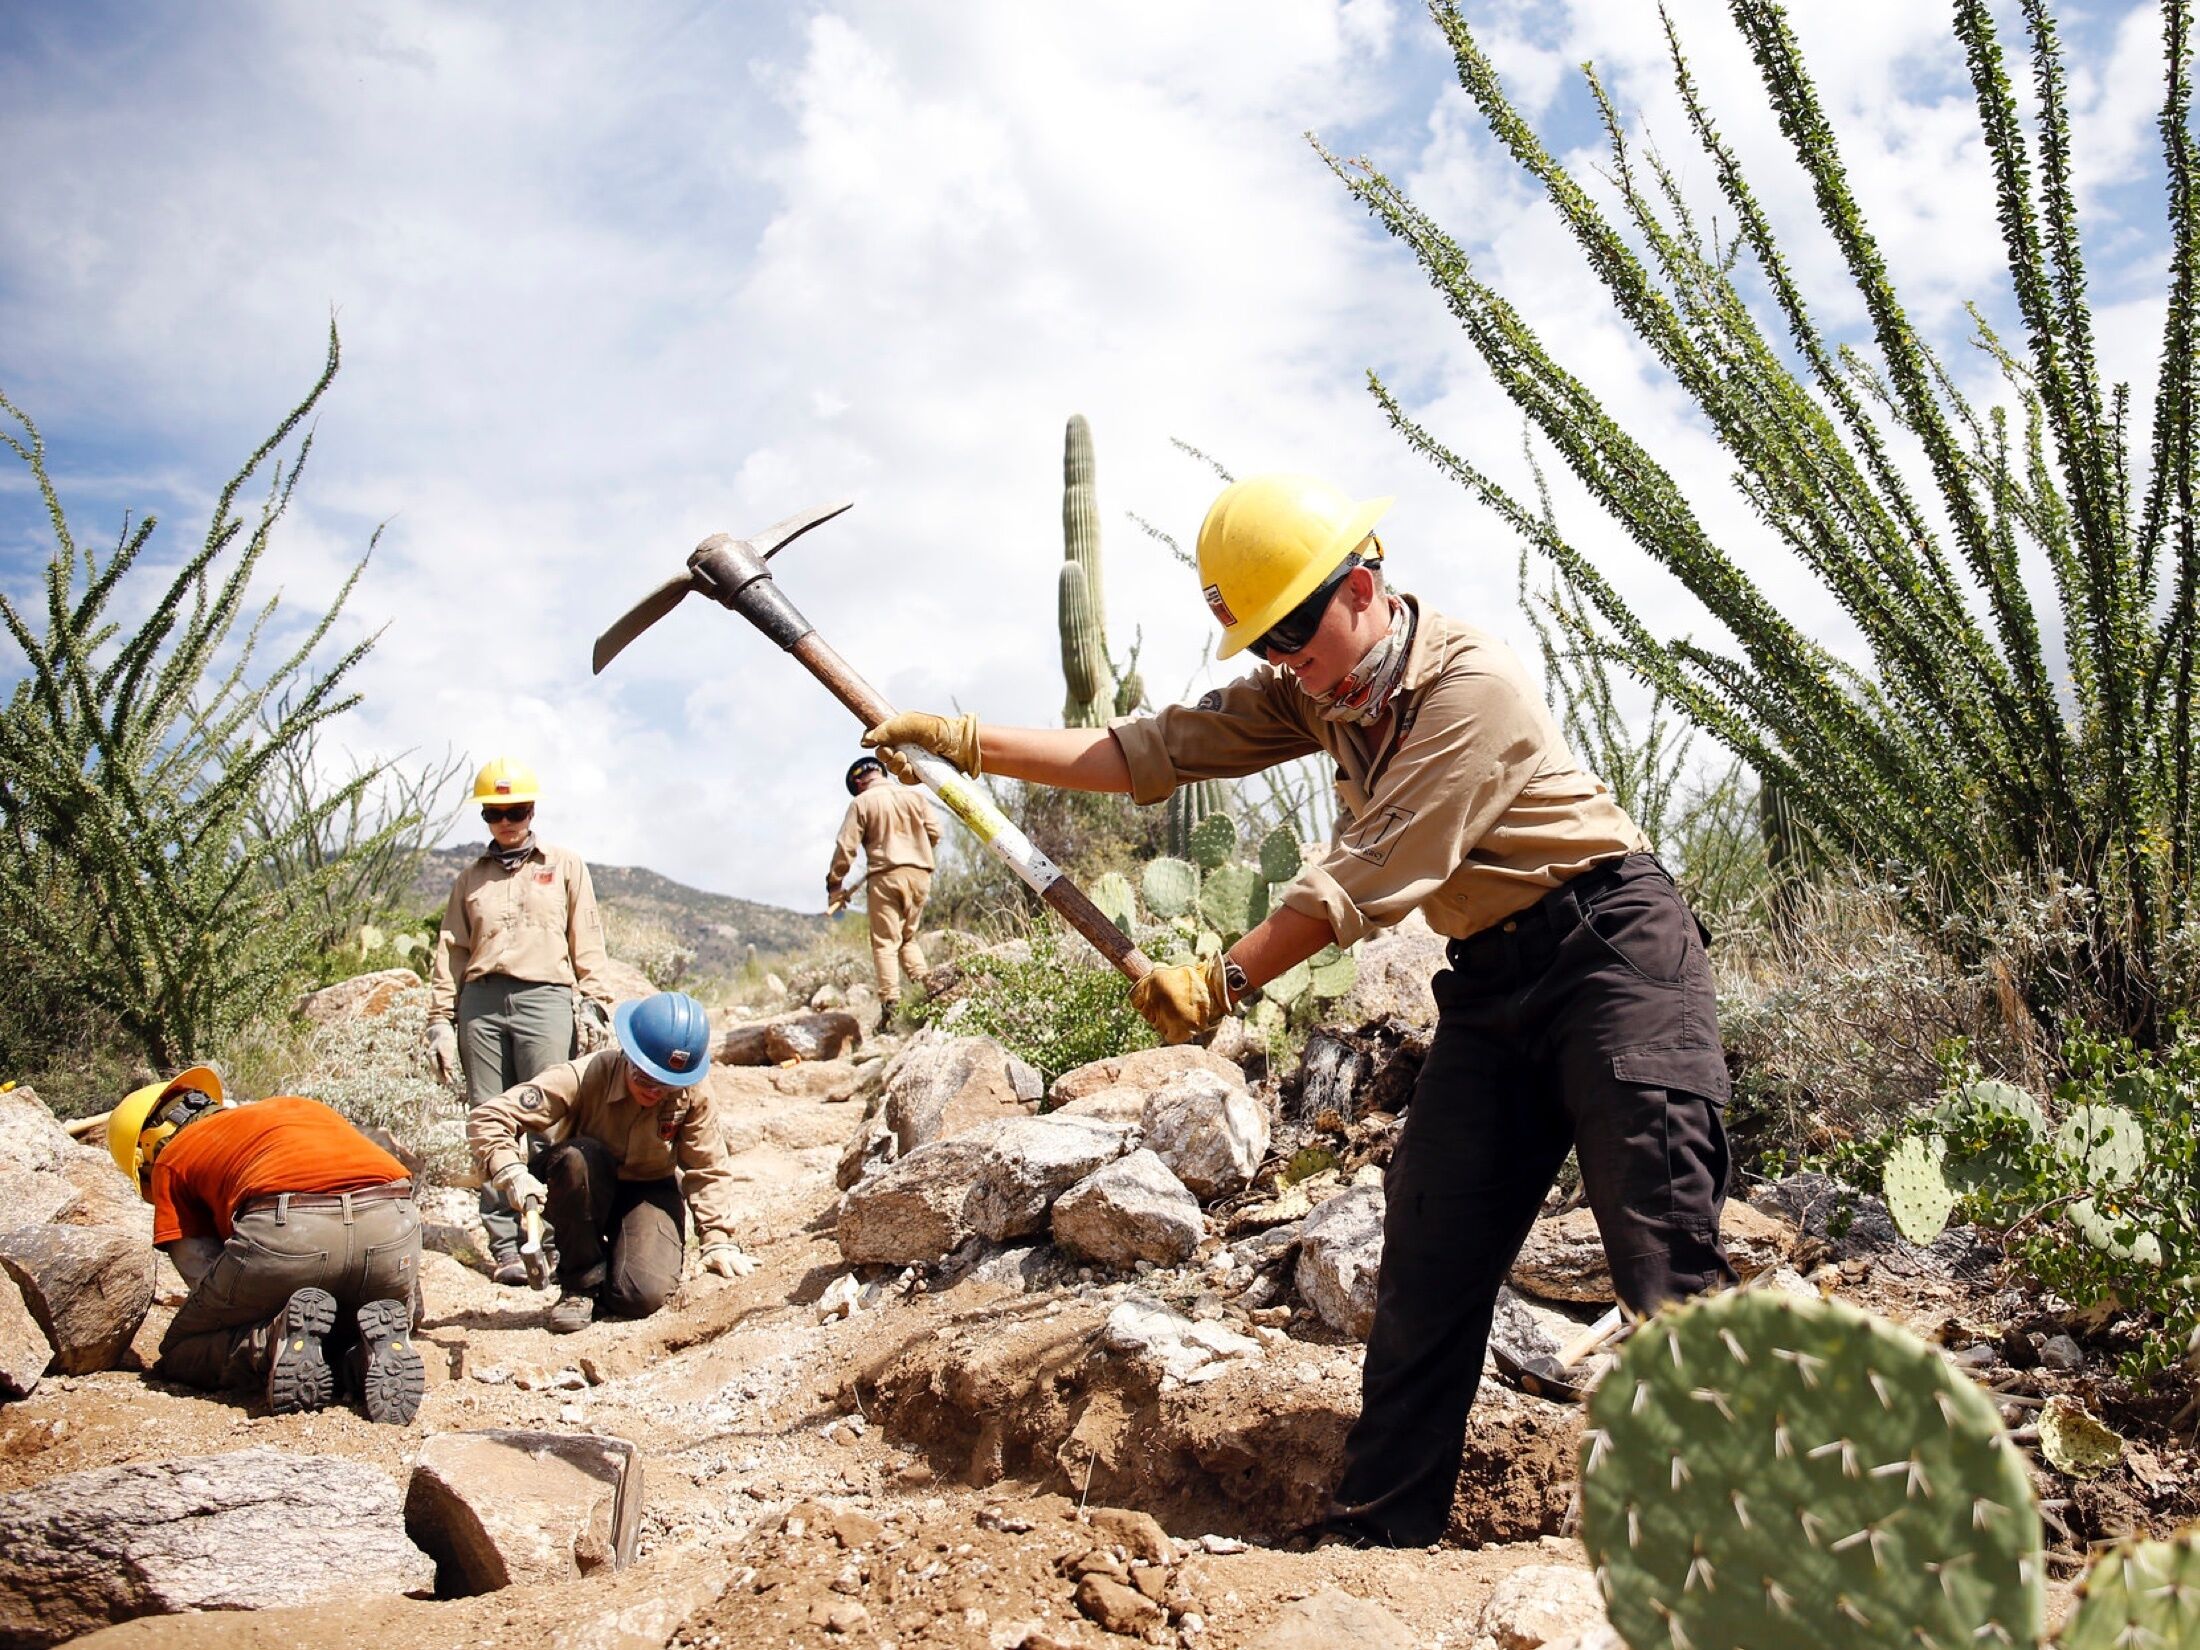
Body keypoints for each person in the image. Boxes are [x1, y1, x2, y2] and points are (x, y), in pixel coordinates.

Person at [864, 473, 1736, 1547]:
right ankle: (1377, 1537)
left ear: (1361, 584)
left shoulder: (1473, 686)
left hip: (1611, 954)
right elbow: (1152, 752)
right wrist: (966, 745)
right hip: (1491, 980)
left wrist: (1221, 982)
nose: (1284, 659)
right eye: (1265, 644)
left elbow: (1355, 883)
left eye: (1294, 628)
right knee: (1428, 1259)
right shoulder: (1316, 690)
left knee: (1661, 1257)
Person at [109, 1066, 426, 1423]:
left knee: (183, 1349)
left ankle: (273, 1341)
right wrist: (409, 1305)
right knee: (361, 1313)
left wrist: (259, 1312)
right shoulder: (302, 1109)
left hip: (291, 1229)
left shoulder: (172, 1157)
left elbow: (201, 1272)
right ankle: (361, 1354)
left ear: (145, 1152)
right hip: (393, 1221)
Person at [427, 756, 618, 1286]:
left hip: (546, 998)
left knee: (548, 1119)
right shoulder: (469, 879)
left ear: (532, 811)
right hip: (481, 1004)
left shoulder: (565, 864)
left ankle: (554, 1239)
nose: (506, 822)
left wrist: (594, 1001)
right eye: (495, 813)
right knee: (489, 1118)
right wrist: (441, 1021)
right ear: (485, 816)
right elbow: (452, 952)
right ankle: (507, 1245)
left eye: (516, 811)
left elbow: (588, 936)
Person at [468, 989, 757, 1334]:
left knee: (643, 1295)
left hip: (648, 1187)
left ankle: (611, 1278)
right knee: (576, 1160)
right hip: (583, 1181)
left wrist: (717, 1239)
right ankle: (580, 1285)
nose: (655, 1092)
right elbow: (489, 1117)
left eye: (666, 1085)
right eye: (646, 1078)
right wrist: (509, 1170)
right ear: (628, 1056)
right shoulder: (585, 1074)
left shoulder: (693, 1093)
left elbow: (707, 1166)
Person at [825, 754, 944, 1030]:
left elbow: (846, 848)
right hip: (921, 873)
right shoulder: (915, 798)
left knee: (885, 943)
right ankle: (928, 992)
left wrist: (834, 884)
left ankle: (891, 1010)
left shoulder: (862, 802)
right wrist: (915, 851)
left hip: (885, 876)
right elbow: (935, 833)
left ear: (858, 782)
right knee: (907, 938)